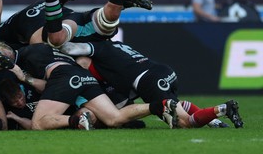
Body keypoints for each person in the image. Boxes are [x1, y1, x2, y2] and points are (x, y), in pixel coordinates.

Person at [60, 40, 244, 128]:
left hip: (149, 80)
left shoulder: (99, 47)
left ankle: (222, 109)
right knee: (175, 104)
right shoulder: (118, 46)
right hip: (163, 72)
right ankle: (215, 121)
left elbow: (70, 48)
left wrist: (57, 44)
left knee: (184, 123)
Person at [10, 43, 177, 130]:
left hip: (66, 77)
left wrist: (23, 76)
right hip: (86, 78)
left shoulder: (31, 51)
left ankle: (77, 120)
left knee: (38, 124)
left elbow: (43, 85)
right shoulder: (65, 51)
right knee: (114, 119)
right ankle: (160, 105)